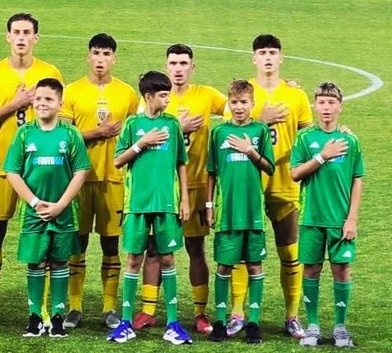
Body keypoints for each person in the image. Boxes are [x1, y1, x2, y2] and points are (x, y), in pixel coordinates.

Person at [0, 13, 64, 327]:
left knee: (45, 237)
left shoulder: (49, 72)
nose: (21, 37)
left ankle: (42, 309)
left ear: (36, 37)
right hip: (0, 168)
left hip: (39, 172)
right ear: (7, 36)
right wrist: (15, 104)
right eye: (16, 32)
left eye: (27, 32)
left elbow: (58, 118)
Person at [134, 45, 227, 335]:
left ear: (192, 67)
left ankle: (200, 313)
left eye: (183, 63)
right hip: (162, 189)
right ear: (166, 65)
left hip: (196, 186)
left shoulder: (207, 95)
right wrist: (180, 127)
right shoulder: (154, 99)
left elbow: (241, 107)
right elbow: (142, 130)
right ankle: (148, 310)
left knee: (195, 248)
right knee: (153, 249)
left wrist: (284, 86)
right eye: (173, 62)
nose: (178, 68)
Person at [58, 33, 139, 330]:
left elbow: (137, 133)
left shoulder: (128, 94)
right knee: (76, 244)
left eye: (106, 53)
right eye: (96, 53)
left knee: (110, 244)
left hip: (115, 179)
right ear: (88, 56)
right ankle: (75, 307)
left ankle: (108, 308)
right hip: (78, 180)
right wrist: (98, 133)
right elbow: (63, 137)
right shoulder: (72, 92)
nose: (101, 59)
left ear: (114, 58)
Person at [236, 34, 312, 339]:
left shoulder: (297, 96)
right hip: (249, 185)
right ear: (254, 58)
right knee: (243, 254)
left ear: (281, 58)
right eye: (262, 53)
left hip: (284, 183)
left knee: (289, 251)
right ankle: (238, 313)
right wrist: (260, 116)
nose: (267, 57)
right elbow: (231, 127)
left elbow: (310, 134)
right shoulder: (242, 93)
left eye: (273, 53)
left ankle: (292, 316)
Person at [106, 72, 192, 344]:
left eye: (168, 93)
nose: (168, 98)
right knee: (133, 259)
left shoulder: (172, 124)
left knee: (168, 259)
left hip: (167, 203)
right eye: (163, 94)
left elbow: (181, 162)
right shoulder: (133, 124)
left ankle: (173, 323)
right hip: (137, 204)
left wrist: (185, 199)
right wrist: (142, 143)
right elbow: (118, 160)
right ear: (148, 97)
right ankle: (127, 322)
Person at [3, 79, 90, 337]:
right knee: (36, 262)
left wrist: (61, 204)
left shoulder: (70, 134)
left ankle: (58, 317)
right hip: (33, 213)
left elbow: (81, 170)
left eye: (49, 99)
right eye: (38, 98)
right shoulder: (24, 133)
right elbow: (12, 172)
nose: (42, 103)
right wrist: (34, 202)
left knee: (60, 261)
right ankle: (34, 317)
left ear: (60, 104)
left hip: (63, 212)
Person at [290, 83, 364, 348]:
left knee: (341, 270)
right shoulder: (304, 138)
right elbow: (295, 173)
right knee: (311, 269)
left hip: (340, 219)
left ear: (340, 107)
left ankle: (341, 328)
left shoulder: (350, 140)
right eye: (321, 102)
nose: (326, 108)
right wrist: (322, 155)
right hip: (311, 217)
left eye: (331, 103)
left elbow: (357, 179)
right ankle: (312, 326)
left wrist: (352, 218)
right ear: (315, 105)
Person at [206, 80, 274, 344]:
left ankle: (253, 323)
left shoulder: (260, 131)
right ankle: (221, 321)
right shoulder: (219, 132)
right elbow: (211, 172)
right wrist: (209, 206)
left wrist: (250, 151)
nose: (238, 107)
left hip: (253, 211)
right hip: (227, 212)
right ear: (228, 104)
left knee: (255, 266)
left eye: (244, 102)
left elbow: (269, 167)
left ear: (252, 104)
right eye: (234, 102)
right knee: (224, 265)